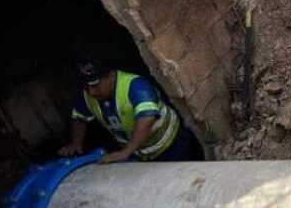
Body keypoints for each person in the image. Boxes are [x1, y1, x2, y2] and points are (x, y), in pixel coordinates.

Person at [58, 55, 200, 164]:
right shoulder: (88, 93)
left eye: (95, 85)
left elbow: (147, 117)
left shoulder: (135, 86)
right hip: (140, 153)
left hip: (172, 145)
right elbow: (79, 116)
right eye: (86, 87)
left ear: (110, 75)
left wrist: (125, 152)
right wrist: (76, 143)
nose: (91, 92)